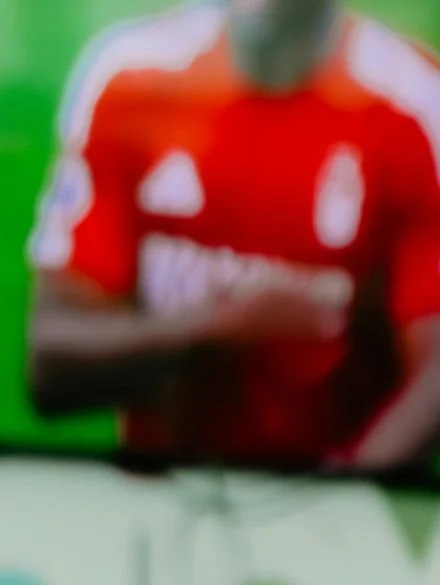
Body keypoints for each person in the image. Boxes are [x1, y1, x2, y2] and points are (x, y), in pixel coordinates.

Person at [27, 0, 440, 470]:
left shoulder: (414, 101)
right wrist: (219, 324)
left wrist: (342, 495)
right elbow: (50, 367)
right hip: (159, 498)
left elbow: (435, 369)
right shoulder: (130, 76)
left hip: (342, 511)